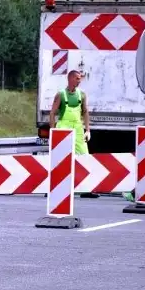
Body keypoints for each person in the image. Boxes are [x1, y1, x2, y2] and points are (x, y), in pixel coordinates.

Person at [49, 70, 98, 199]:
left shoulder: (81, 95)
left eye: (80, 78)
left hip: (77, 128)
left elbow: (85, 112)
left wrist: (87, 130)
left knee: (84, 155)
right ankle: (53, 186)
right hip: (63, 127)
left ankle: (87, 188)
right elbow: (52, 113)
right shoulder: (60, 95)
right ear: (70, 79)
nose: (79, 80)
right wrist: (52, 130)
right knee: (59, 158)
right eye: (77, 78)